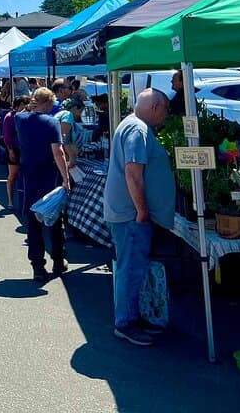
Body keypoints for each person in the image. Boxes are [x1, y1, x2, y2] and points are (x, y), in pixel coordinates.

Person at [103, 88, 173, 346]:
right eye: (166, 109)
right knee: (130, 269)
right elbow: (134, 173)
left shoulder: (132, 125)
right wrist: (142, 210)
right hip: (130, 215)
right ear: (155, 107)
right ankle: (126, 323)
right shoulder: (138, 130)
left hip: (126, 213)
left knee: (130, 267)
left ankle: (131, 316)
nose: (166, 115)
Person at [15, 87, 71, 281]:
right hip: (49, 174)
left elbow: (19, 113)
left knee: (33, 222)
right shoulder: (52, 122)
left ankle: (38, 266)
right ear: (48, 103)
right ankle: (58, 259)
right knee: (54, 218)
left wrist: (30, 106)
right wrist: (66, 178)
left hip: (29, 173)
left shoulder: (21, 120)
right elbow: (58, 152)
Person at [2, 96, 31, 212]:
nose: (26, 108)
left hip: (25, 149)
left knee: (24, 175)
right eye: (25, 105)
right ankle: (10, 200)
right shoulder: (10, 117)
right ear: (18, 106)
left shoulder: (27, 117)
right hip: (14, 148)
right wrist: (10, 150)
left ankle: (24, 200)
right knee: (12, 175)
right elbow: (7, 136)